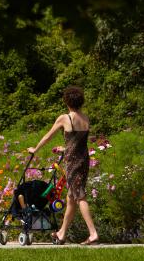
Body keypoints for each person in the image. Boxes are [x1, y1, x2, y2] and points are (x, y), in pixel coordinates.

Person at [27, 86, 99, 245]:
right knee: (71, 197)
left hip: (73, 162)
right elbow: (78, 143)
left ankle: (93, 233)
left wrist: (35, 149)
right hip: (83, 160)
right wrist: (65, 148)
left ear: (67, 101)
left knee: (79, 195)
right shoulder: (85, 118)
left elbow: (47, 136)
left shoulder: (65, 118)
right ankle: (62, 233)